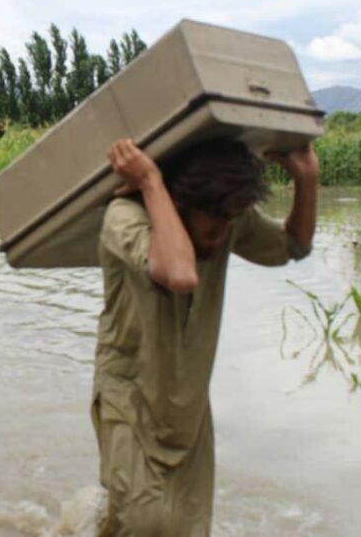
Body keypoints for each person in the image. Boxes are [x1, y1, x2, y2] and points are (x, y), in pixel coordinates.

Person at [93, 137, 318, 536]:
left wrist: (307, 180)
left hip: (188, 407)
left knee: (189, 529)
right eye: (215, 221)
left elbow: (294, 246)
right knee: (140, 524)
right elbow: (179, 275)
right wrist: (149, 181)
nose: (223, 232)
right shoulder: (124, 217)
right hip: (131, 401)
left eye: (231, 219)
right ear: (178, 202)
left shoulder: (224, 222)